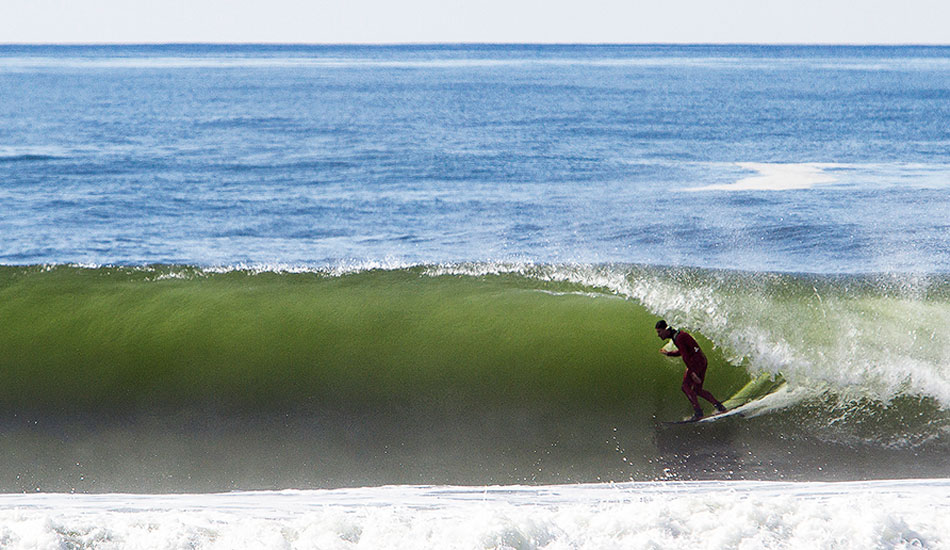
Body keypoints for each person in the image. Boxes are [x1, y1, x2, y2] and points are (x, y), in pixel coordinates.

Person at [655, 319, 727, 421]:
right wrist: (668, 353)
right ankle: (719, 406)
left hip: (696, 363)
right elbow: (683, 351)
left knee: (685, 387)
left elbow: (685, 356)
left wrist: (693, 373)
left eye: (659, 332)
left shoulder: (679, 337)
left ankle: (698, 413)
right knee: (697, 390)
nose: (658, 335)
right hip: (701, 361)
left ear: (666, 329)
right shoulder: (678, 336)